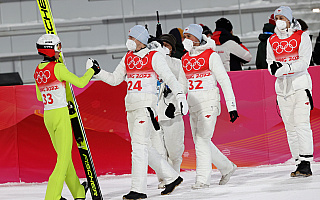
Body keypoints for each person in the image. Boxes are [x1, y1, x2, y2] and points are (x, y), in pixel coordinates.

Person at [90, 25, 188, 199]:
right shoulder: (127, 57)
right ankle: (172, 177)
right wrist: (98, 72)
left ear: (140, 40)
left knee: (138, 148)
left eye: (132, 38)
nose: (129, 41)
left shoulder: (154, 56)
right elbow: (114, 79)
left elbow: (169, 77)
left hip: (146, 108)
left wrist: (180, 96)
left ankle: (138, 190)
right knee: (145, 147)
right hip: (131, 108)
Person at [34, 34, 100, 200]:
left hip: (48, 115)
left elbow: (39, 97)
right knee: (62, 160)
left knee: (64, 157)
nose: (59, 51)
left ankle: (78, 192)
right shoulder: (58, 68)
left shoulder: (37, 70)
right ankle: (52, 196)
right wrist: (93, 70)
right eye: (57, 47)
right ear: (49, 50)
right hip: (61, 114)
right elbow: (80, 82)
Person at [181, 24, 238, 189]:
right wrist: (176, 102)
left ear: (198, 38)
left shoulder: (211, 55)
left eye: (189, 36)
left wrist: (231, 106)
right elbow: (183, 86)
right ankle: (227, 167)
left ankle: (203, 180)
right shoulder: (184, 59)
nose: (186, 40)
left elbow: (224, 80)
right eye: (184, 37)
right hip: (193, 106)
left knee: (201, 141)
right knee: (202, 141)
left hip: (209, 103)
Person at [267, 6, 314, 177]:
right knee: (290, 128)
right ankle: (298, 161)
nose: (278, 20)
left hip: (301, 86)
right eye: (276, 17)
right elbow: (270, 63)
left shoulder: (302, 36)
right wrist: (275, 69)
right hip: (282, 90)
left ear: (289, 19)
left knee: (302, 125)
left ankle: (307, 162)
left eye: (281, 17)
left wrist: (283, 68)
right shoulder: (271, 40)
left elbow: (304, 63)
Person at [150, 33, 187, 189]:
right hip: (154, 113)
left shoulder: (177, 63)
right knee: (158, 150)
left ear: (172, 48)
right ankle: (164, 179)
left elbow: (183, 86)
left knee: (174, 148)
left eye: (167, 45)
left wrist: (174, 100)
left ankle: (175, 174)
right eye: (161, 44)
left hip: (172, 112)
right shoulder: (150, 63)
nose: (164, 47)